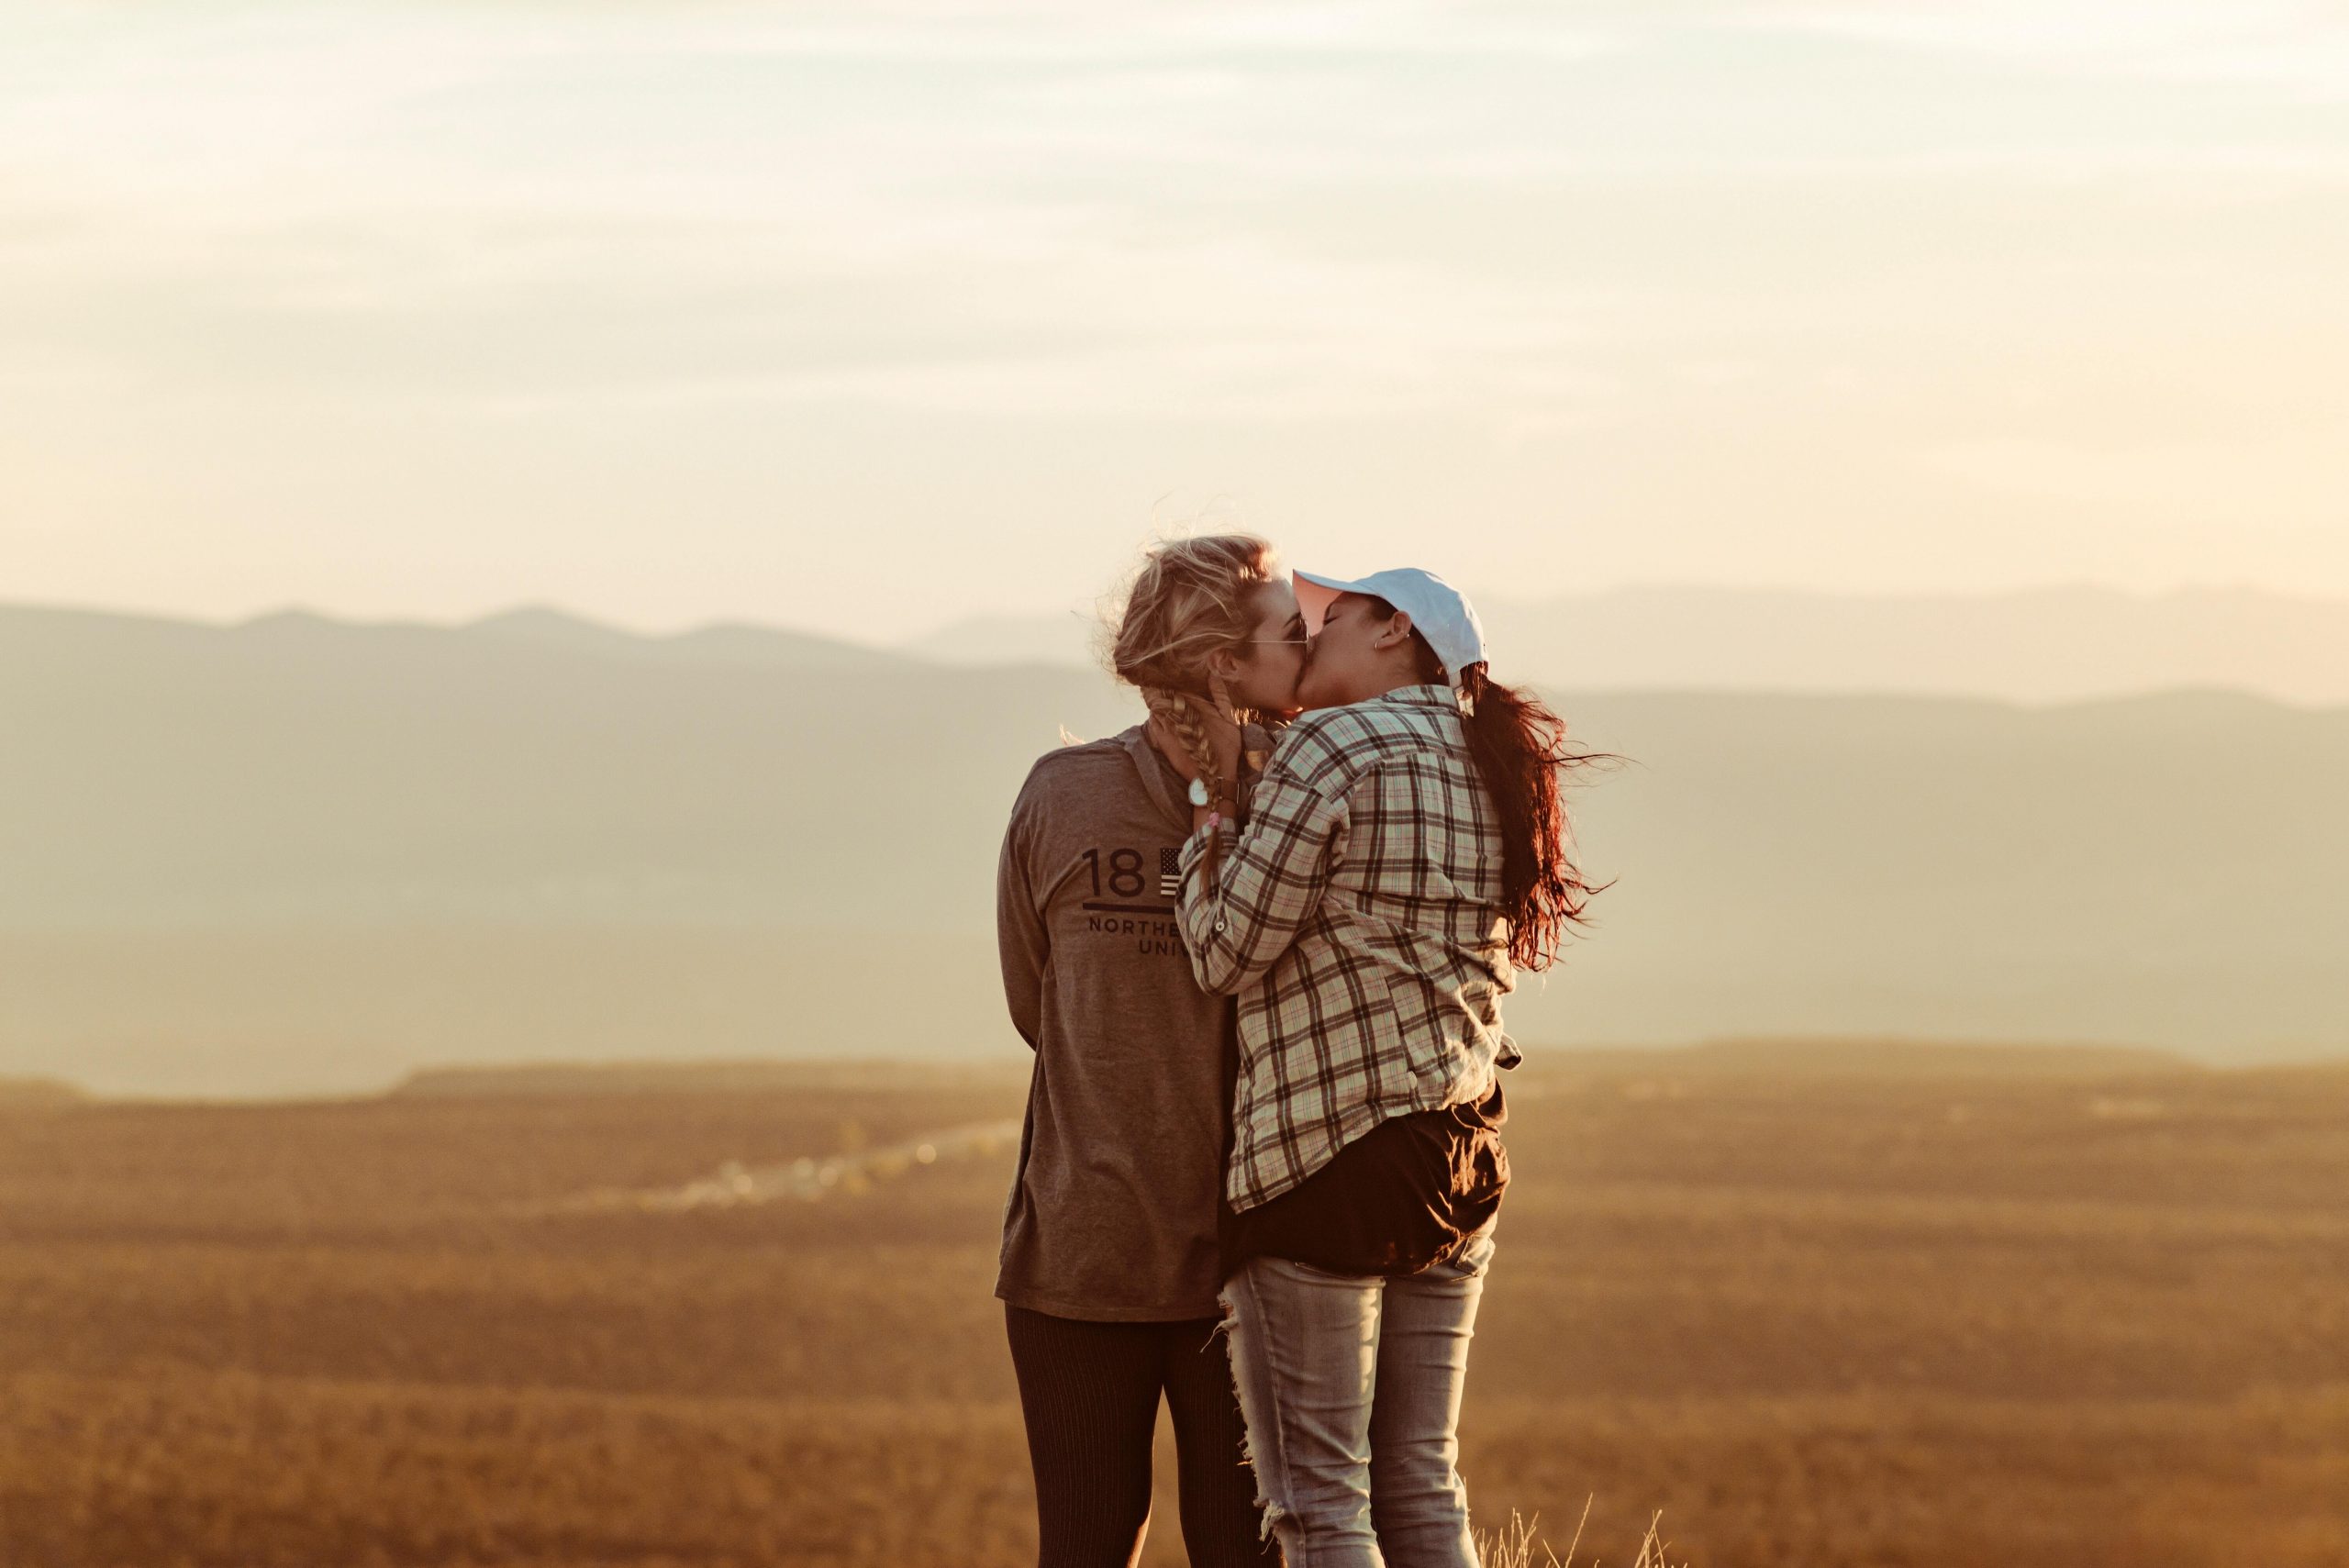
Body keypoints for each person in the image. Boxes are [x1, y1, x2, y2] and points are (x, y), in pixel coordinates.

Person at [1155, 566, 1606, 1568]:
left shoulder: (1334, 743)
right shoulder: (1494, 759)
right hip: (1462, 1150)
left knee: (1318, 1501)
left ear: (1397, 629)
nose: (1310, 637)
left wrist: (1204, 832)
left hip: (1326, 1154)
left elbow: (1227, 950)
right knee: (1420, 1479)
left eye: (1333, 617)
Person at [993, 533, 1310, 1568]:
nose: (1309, 651)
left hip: (1254, 1266)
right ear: (1222, 658)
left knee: (1243, 1549)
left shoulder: (1305, 798)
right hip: (1081, 1261)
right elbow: (1038, 1007)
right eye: (1289, 631)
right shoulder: (1063, 793)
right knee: (1083, 1544)